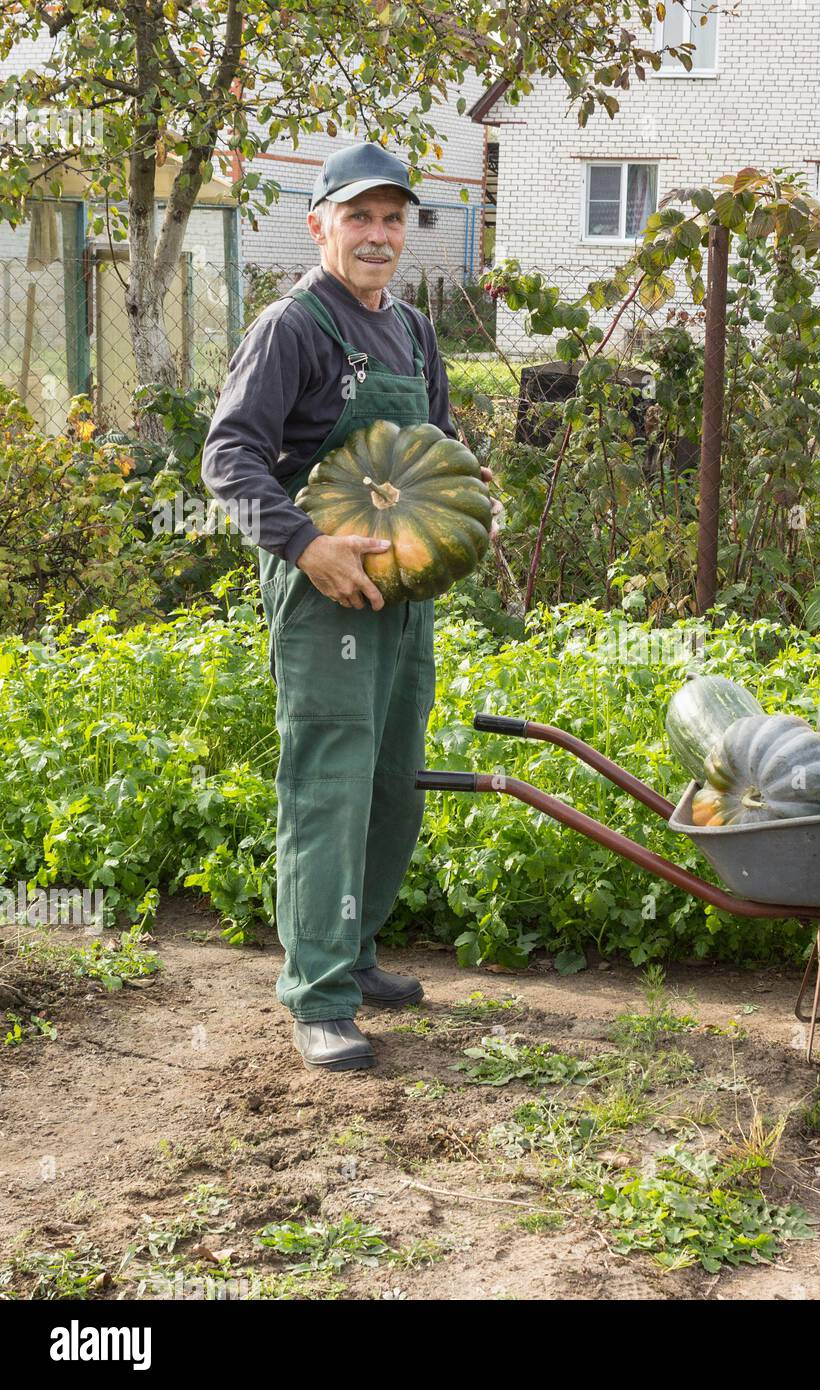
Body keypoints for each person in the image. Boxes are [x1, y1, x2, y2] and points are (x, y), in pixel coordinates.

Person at [201, 142, 499, 1071]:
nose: (376, 235)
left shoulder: (411, 328)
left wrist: (466, 486)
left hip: (405, 590)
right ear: (319, 222)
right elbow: (228, 457)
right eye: (358, 217)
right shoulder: (292, 326)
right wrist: (307, 545)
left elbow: (433, 441)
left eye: (392, 218)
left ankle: (356, 952)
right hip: (325, 592)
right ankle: (318, 994)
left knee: (391, 781)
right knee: (330, 787)